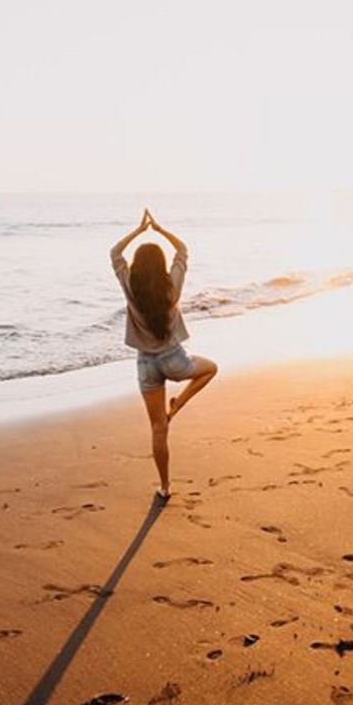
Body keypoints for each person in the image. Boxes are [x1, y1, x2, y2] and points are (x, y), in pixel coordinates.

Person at [109, 209, 217, 501]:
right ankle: (178, 404)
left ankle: (166, 487)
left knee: (158, 429)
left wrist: (138, 231)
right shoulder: (172, 286)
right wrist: (159, 229)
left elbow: (115, 253)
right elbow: (182, 250)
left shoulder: (130, 287)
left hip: (146, 364)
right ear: (160, 265)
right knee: (210, 368)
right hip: (175, 360)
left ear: (137, 266)